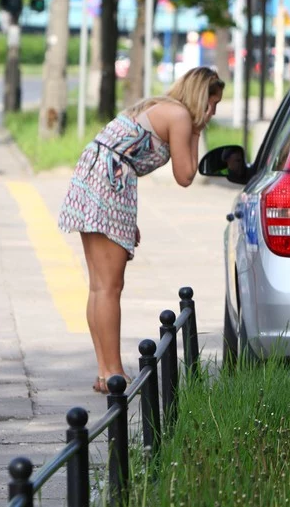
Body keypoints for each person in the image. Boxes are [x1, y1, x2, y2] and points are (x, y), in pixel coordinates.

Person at [58, 66, 225, 394]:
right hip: (108, 183)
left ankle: (105, 371)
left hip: (98, 178)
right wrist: (197, 128)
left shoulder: (161, 107)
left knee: (99, 286)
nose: (213, 112)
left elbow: (126, 156)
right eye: (213, 104)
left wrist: (127, 219)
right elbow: (186, 175)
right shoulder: (179, 116)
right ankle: (112, 373)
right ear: (201, 98)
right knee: (109, 287)